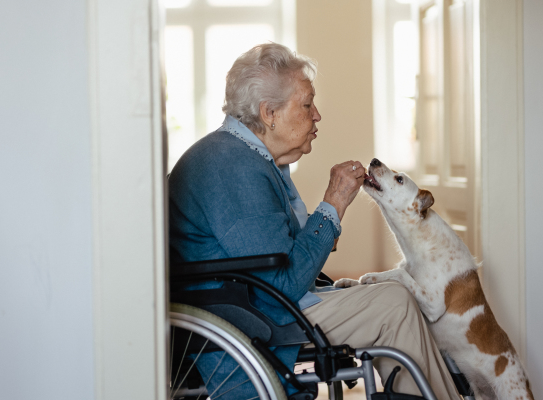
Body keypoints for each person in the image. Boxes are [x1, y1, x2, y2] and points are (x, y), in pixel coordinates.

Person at [169, 42, 460, 399]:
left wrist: (322, 225)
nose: (317, 115)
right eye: (306, 104)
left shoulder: (241, 156)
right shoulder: (234, 168)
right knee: (394, 304)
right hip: (253, 315)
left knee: (386, 295)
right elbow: (284, 284)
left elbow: (275, 253)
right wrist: (334, 203)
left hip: (251, 301)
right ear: (269, 113)